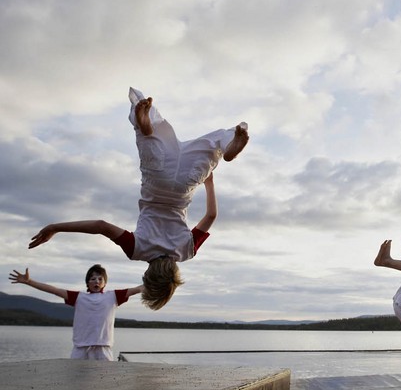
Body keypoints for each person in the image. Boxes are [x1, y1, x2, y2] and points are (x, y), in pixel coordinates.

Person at [27, 88, 249, 310]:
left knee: (214, 146)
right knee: (150, 147)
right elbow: (100, 226)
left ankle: (227, 145)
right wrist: (55, 227)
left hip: (185, 186)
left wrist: (208, 183)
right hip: (156, 182)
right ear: (147, 274)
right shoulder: (137, 250)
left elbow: (211, 216)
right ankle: (145, 126)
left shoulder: (186, 251)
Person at [8, 265, 142, 360]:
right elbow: (54, 290)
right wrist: (29, 282)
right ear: (87, 283)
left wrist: (159, 281)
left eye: (100, 279)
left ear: (105, 283)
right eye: (93, 278)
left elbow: (137, 289)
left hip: (103, 348)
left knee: (104, 384)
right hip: (80, 348)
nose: (96, 281)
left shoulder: (113, 296)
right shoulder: (79, 297)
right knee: (76, 383)